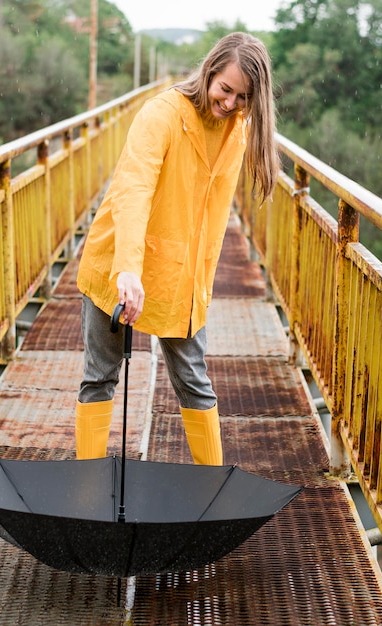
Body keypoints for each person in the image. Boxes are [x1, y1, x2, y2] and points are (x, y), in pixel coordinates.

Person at [75, 32, 280, 465]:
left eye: (242, 98)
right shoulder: (161, 114)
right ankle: (87, 482)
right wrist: (127, 270)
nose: (229, 104)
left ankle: (212, 488)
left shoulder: (238, 131)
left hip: (183, 276)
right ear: (209, 71)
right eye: (225, 89)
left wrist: (201, 283)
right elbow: (135, 190)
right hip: (120, 259)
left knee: (194, 380)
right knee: (99, 377)